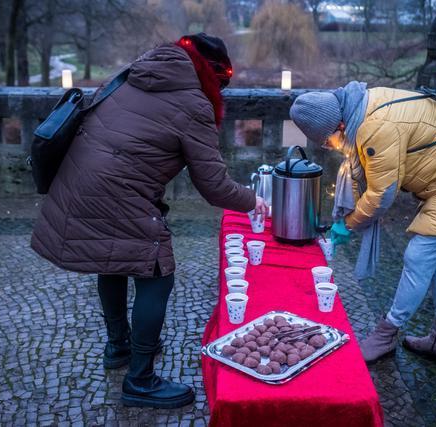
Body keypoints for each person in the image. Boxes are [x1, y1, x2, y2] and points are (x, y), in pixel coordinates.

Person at [31, 33, 268, 408]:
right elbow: (213, 186)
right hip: (116, 192)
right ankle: (140, 380)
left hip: (78, 180)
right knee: (157, 273)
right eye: (222, 82)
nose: (220, 91)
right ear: (212, 74)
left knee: (111, 258)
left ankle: (119, 346)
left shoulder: (133, 73)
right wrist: (253, 200)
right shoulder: (193, 102)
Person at [289, 81, 436, 367]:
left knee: (418, 256)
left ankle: (386, 334)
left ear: (340, 125)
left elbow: (382, 194)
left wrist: (349, 223)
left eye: (327, 140)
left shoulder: (376, 127)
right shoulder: (365, 104)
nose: (330, 146)